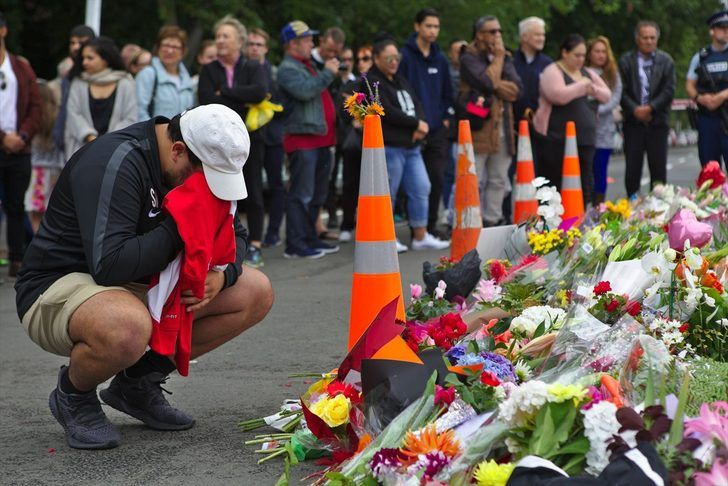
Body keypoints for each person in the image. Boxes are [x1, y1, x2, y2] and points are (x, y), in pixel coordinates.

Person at [15, 104, 273, 450]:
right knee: (128, 326)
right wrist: (181, 223)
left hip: (134, 280)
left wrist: (224, 276)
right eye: (207, 178)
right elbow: (110, 264)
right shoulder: (115, 159)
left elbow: (235, 233)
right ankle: (73, 394)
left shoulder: (187, 163)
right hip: (59, 283)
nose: (209, 190)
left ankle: (136, 383)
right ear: (178, 150)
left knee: (256, 290)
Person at [367, 37, 449, 251]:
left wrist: (420, 124)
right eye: (389, 58)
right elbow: (387, 111)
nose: (394, 61)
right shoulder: (372, 82)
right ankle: (386, 238)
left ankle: (420, 236)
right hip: (391, 145)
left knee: (422, 187)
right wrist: (415, 125)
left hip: (412, 147)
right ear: (376, 58)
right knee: (388, 193)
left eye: (397, 57)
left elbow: (416, 103)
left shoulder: (400, 80)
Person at [198, 15, 268, 268]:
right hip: (216, 143)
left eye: (225, 36)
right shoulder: (209, 69)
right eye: (218, 36)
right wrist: (240, 98)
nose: (220, 41)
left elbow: (259, 92)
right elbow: (206, 100)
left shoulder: (252, 66)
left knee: (253, 189)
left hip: (250, 138)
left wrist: (224, 92)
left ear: (239, 41)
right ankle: (225, 244)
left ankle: (256, 244)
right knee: (221, 192)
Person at [277, 20, 341, 259]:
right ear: (292, 44)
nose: (311, 43)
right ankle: (295, 244)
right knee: (301, 194)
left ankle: (311, 238)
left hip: (321, 140)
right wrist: (328, 73)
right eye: (306, 40)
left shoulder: (307, 64)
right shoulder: (287, 68)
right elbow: (305, 91)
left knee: (316, 195)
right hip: (303, 141)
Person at [533, 34, 611, 205]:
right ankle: (551, 222)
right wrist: (582, 87)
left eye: (583, 55)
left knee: (584, 182)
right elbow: (557, 94)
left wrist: (592, 89)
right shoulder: (552, 70)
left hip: (585, 139)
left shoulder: (587, 73)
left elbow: (606, 95)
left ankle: (580, 218)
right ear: (564, 53)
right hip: (556, 138)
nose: (580, 59)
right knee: (555, 183)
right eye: (576, 55)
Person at [460, 16, 523, 226]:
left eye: (499, 31)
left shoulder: (505, 56)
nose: (498, 36)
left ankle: (491, 221)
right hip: (478, 129)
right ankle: (470, 224)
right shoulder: (468, 57)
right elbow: (486, 82)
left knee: (498, 180)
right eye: (493, 31)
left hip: (503, 129)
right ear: (479, 34)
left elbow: (516, 90)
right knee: (473, 180)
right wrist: (497, 61)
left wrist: (495, 83)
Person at [398, 8, 454, 241]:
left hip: (437, 130)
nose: (433, 31)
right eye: (428, 26)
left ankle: (430, 226)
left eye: (436, 27)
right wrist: (413, 122)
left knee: (437, 178)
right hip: (412, 129)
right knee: (413, 183)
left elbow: (447, 93)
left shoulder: (440, 59)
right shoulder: (405, 57)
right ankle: (416, 227)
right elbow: (400, 90)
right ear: (417, 26)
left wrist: (444, 119)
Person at [0, 11, 41, 277]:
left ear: (3, 31)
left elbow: (36, 107)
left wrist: (22, 136)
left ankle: (17, 259)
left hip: (19, 148)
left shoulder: (20, 68)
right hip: (5, 140)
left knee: (16, 205)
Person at [618, 20, 675, 199]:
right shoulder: (626, 61)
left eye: (652, 38)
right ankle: (632, 206)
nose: (649, 41)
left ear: (657, 39)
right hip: (633, 122)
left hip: (657, 122)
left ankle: (658, 207)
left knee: (658, 169)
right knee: (632, 169)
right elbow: (620, 89)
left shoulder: (666, 61)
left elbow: (669, 90)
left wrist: (651, 108)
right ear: (637, 39)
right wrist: (635, 109)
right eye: (645, 38)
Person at [64, 36, 137, 161]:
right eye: (83, 58)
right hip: (82, 152)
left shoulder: (125, 82)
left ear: (105, 59)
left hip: (115, 153)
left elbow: (130, 118)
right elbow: (73, 114)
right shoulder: (78, 83)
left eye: (90, 58)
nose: (84, 62)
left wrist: (107, 141)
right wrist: (89, 136)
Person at [245, 28, 285, 249]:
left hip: (272, 136)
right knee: (253, 185)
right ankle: (252, 234)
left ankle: (273, 232)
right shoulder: (242, 71)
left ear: (266, 48)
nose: (254, 48)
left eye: (258, 44)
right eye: (251, 44)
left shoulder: (275, 73)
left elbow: (283, 105)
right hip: (251, 136)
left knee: (276, 183)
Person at [338, 45, 373, 243]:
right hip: (354, 143)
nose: (361, 62)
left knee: (372, 186)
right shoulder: (351, 84)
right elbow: (343, 111)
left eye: (365, 58)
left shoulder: (377, 83)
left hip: (375, 142)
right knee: (350, 184)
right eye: (358, 59)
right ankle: (346, 224)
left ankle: (367, 225)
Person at [686, 10, 728, 169]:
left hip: (727, 116)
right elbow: (690, 84)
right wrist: (700, 98)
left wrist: (722, 96)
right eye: (722, 27)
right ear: (712, 31)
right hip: (707, 119)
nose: (726, 31)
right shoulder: (701, 57)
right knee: (709, 170)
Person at [587, 36, 623, 204]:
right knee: (585, 172)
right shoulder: (582, 72)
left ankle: (598, 207)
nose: (601, 55)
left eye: (603, 51)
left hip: (604, 132)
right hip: (585, 130)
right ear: (590, 53)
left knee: (600, 172)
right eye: (597, 51)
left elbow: (615, 98)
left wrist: (596, 110)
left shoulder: (613, 75)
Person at [25, 80, 64, 233]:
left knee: (36, 216)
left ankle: (38, 247)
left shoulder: (33, 119)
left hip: (36, 173)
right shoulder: (59, 118)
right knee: (54, 215)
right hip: (57, 171)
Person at [52, 24, 95, 153]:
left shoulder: (99, 77)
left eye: (81, 43)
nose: (76, 47)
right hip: (69, 145)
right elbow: (65, 110)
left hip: (94, 144)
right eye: (72, 43)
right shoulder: (69, 76)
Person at [136, 25, 195, 121]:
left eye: (175, 47)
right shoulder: (148, 74)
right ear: (158, 48)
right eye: (166, 45)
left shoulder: (186, 79)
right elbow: (139, 112)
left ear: (183, 51)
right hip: (154, 135)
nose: (170, 51)